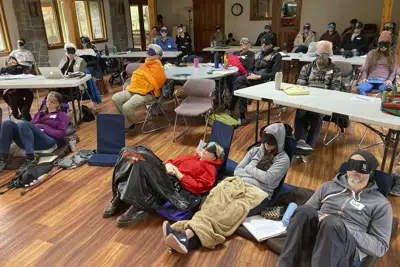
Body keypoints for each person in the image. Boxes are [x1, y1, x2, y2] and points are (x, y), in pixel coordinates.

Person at [161, 123, 290, 253]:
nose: (266, 146)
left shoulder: (283, 160)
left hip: (258, 193)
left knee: (231, 211)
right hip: (237, 182)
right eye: (265, 142)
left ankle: (185, 234)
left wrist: (250, 168)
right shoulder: (256, 150)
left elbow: (268, 178)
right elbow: (238, 171)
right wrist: (255, 173)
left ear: (278, 142)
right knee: (213, 202)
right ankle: (186, 239)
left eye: (270, 143)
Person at [278, 150, 392, 267]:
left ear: (371, 172)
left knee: (331, 223)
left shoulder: (381, 204)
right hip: (316, 233)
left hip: (346, 247)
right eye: (352, 165)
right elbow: (307, 211)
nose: (354, 171)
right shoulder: (327, 187)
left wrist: (342, 229)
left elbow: (380, 246)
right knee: (303, 211)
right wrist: (321, 218)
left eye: (361, 167)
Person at [102, 142, 224, 227]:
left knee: (140, 160)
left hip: (172, 182)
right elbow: (171, 161)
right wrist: (168, 165)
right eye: (205, 147)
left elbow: (198, 187)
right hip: (164, 172)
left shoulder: (210, 169)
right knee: (127, 151)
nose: (204, 150)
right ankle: (119, 195)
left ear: (215, 157)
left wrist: (177, 173)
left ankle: (137, 204)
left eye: (209, 150)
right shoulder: (191, 157)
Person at [0, 91, 69, 174]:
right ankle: (3, 158)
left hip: (48, 140)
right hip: (31, 139)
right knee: (7, 123)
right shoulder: (39, 114)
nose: (49, 103)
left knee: (24, 123)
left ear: (58, 103)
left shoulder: (61, 115)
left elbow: (61, 134)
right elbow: (29, 127)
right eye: (48, 100)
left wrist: (44, 127)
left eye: (53, 101)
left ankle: (30, 158)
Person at [294, 41, 341, 156]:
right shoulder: (307, 67)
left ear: (329, 54)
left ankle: (309, 146)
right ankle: (301, 141)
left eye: (324, 54)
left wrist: (322, 99)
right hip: (307, 99)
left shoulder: (335, 69)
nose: (321, 56)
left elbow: (335, 90)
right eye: (319, 53)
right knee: (300, 113)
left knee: (317, 115)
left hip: (323, 102)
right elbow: (300, 86)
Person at [112, 44, 166, 133]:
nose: (148, 54)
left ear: (158, 56)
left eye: (151, 52)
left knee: (127, 106)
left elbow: (158, 82)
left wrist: (143, 86)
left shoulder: (159, 68)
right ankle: (127, 123)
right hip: (135, 89)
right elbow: (136, 77)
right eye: (148, 52)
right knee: (116, 98)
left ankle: (127, 125)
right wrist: (137, 86)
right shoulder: (145, 65)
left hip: (148, 93)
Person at [231, 33, 282, 125]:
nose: (262, 46)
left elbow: (275, 73)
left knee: (239, 80)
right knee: (241, 87)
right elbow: (250, 68)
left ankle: (232, 109)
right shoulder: (257, 54)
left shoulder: (276, 56)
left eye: (265, 44)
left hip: (264, 81)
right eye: (262, 43)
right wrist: (251, 74)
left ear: (271, 45)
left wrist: (258, 77)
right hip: (252, 79)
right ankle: (241, 115)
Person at [357, 31, 398, 96]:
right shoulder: (372, 53)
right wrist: (364, 78)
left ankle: (381, 105)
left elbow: (394, 70)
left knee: (388, 91)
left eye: (385, 45)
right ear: (378, 44)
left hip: (383, 82)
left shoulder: (394, 56)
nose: (383, 47)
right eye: (381, 45)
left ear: (389, 45)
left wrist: (390, 80)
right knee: (360, 88)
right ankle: (364, 103)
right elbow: (366, 68)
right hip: (370, 80)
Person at [226, 37, 255, 114]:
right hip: (233, 71)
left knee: (236, 78)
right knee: (227, 76)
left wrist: (239, 60)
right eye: (241, 42)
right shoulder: (236, 53)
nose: (242, 44)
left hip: (244, 74)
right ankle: (230, 95)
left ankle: (231, 98)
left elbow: (248, 66)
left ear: (249, 44)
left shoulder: (252, 55)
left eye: (245, 42)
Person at [0, 56, 34, 121]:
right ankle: (22, 114)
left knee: (29, 94)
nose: (12, 60)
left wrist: (26, 72)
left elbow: (31, 71)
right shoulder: (3, 69)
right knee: (13, 95)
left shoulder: (22, 67)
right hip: (10, 89)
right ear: (7, 62)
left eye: (13, 59)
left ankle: (19, 115)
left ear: (16, 61)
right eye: (10, 60)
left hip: (22, 88)